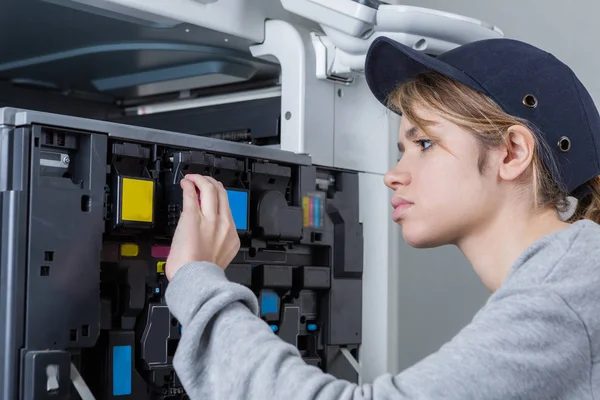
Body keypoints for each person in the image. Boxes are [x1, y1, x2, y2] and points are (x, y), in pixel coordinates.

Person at [164, 35, 600, 399]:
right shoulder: (572, 279)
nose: (393, 175)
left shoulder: (564, 292)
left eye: (424, 143)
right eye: (401, 150)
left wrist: (195, 280)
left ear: (511, 153)